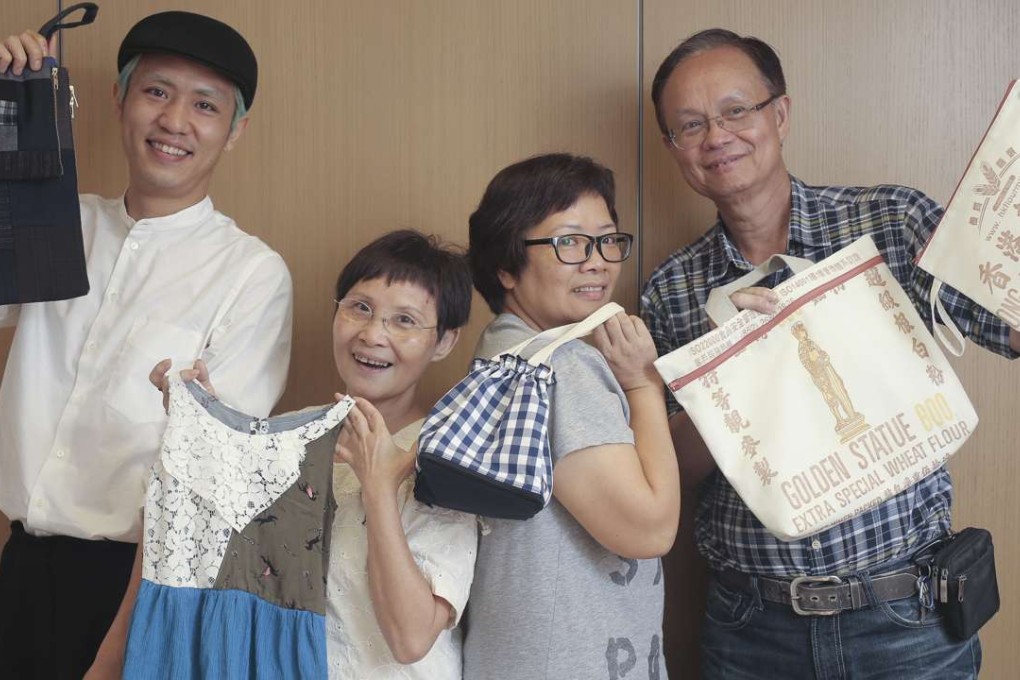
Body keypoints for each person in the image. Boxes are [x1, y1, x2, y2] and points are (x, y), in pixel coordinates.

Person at [641, 28, 1020, 679]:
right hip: (749, 628)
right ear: (674, 149)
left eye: (737, 111)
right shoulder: (671, 289)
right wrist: (730, 369)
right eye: (690, 125)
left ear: (779, 114)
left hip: (908, 621)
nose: (717, 137)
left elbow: (1007, 326)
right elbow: (664, 469)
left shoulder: (890, 223)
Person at [0, 11, 291, 679]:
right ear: (120, 100)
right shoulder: (57, 222)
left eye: (206, 105)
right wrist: (7, 105)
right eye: (157, 91)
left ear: (234, 131)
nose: (175, 121)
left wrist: (122, 647)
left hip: (137, 588)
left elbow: (212, 482)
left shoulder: (250, 273)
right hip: (19, 568)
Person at [131, 230, 477, 679]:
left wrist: (377, 486)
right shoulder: (292, 432)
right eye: (360, 308)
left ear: (445, 341)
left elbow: (411, 640)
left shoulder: (445, 455)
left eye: (405, 321)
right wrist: (212, 435)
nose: (373, 335)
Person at [463, 153, 680, 680]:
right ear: (506, 267)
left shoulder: (500, 352)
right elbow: (648, 528)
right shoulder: (562, 365)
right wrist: (641, 383)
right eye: (569, 242)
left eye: (607, 240)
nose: (598, 261)